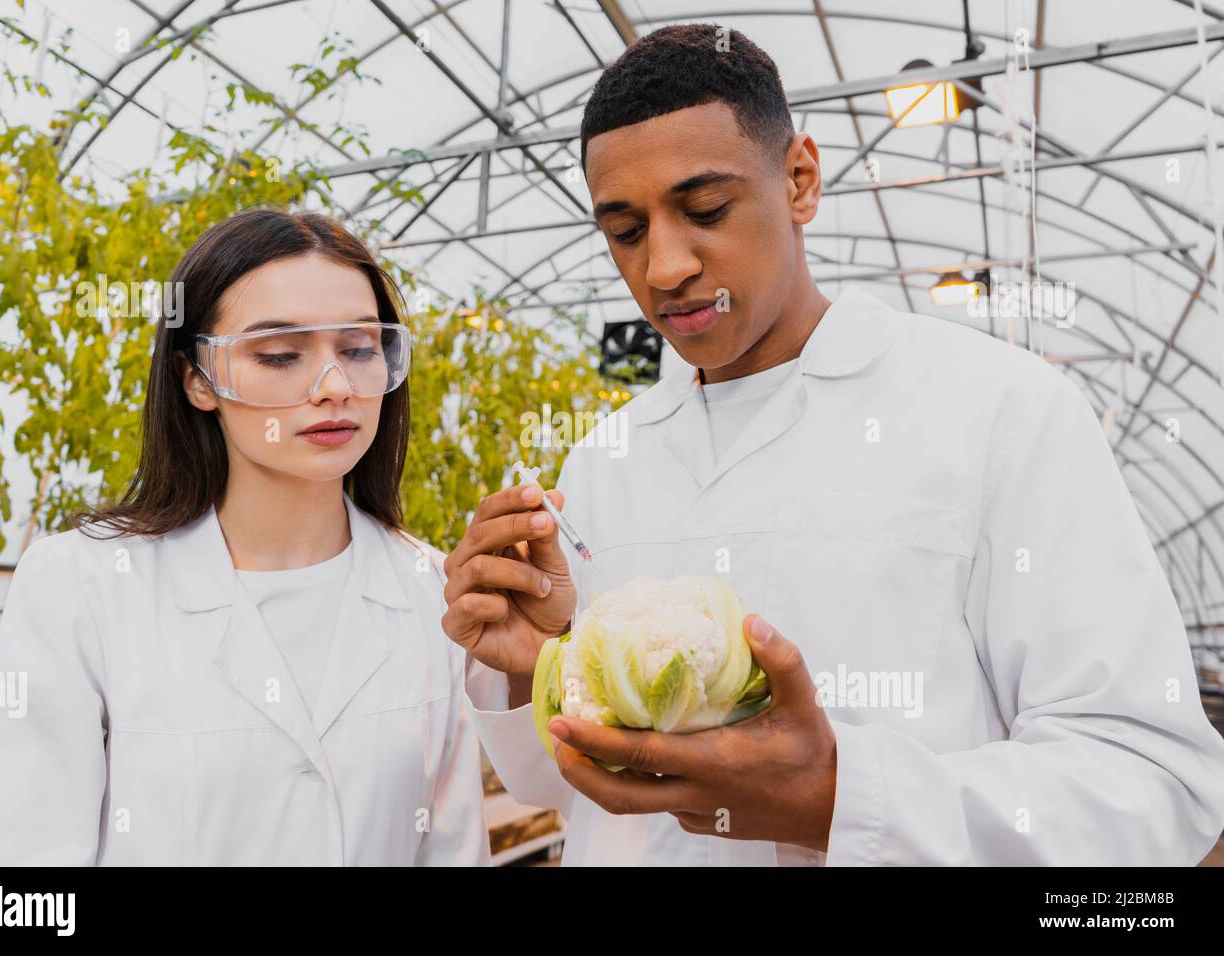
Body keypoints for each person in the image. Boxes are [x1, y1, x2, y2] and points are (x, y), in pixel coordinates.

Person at [440, 24, 1224, 866]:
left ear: (801, 180)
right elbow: (563, 789)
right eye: (625, 231)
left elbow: (1153, 785)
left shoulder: (1003, 412)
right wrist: (543, 670)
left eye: (706, 210)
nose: (664, 266)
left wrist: (841, 796)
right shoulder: (604, 460)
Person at [0, 208, 488, 866]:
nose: (334, 387)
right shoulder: (82, 587)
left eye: (359, 348)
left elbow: (452, 852)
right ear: (198, 381)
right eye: (280, 355)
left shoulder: (433, 590)